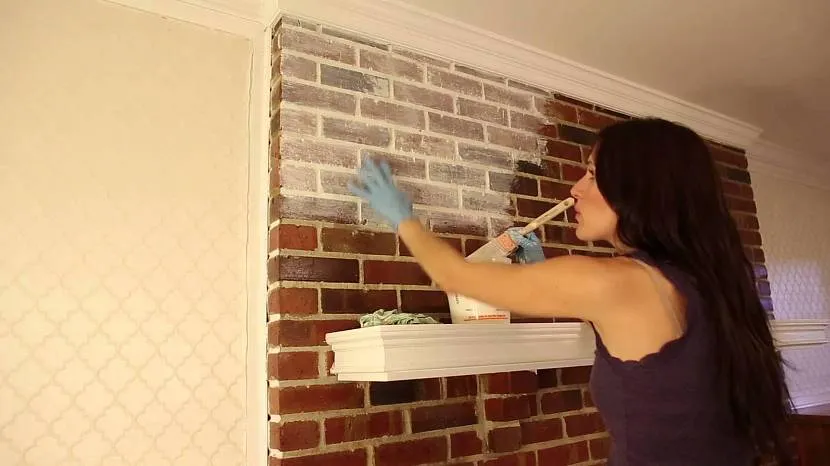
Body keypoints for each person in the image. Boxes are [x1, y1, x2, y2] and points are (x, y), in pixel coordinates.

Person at [349, 117, 792, 465]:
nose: (575, 189)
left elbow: (455, 276)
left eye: (593, 175)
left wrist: (403, 218)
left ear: (638, 189)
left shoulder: (616, 281)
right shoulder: (709, 283)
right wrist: (547, 277)